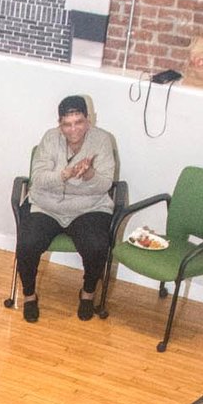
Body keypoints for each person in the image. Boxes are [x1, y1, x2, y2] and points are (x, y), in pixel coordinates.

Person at [16, 94, 120, 322]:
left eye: (79, 122)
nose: (73, 129)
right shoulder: (50, 138)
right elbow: (38, 179)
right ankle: (29, 295)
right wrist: (66, 174)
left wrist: (89, 173)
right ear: (60, 124)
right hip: (47, 206)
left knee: (96, 246)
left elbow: (105, 184)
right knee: (27, 244)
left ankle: (88, 293)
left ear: (88, 120)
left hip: (88, 207)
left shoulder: (103, 140)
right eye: (67, 124)